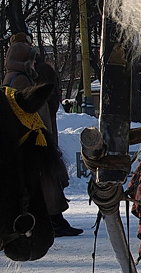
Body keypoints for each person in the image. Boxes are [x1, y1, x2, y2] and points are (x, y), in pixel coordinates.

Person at [2, 34, 83, 237]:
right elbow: (28, 112)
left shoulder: (15, 77)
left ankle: (54, 220)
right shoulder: (19, 80)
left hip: (33, 137)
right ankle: (54, 221)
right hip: (33, 139)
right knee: (45, 182)